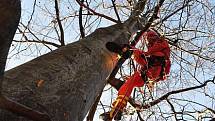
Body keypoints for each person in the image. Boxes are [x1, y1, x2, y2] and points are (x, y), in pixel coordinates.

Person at [105, 29, 171, 120]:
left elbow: (155, 49)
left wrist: (146, 33)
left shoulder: (161, 42)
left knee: (136, 52)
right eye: (148, 40)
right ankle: (117, 108)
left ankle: (126, 51)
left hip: (155, 66)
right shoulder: (153, 45)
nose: (149, 41)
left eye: (150, 39)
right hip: (146, 73)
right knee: (129, 83)